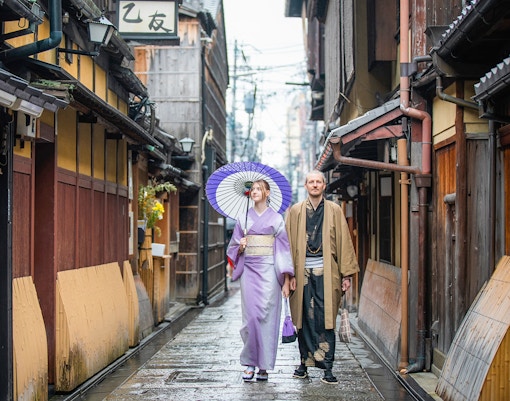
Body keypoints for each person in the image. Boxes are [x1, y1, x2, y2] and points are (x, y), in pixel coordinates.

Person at [286, 170, 359, 384]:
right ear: (305, 185)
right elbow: (288, 244)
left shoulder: (335, 210)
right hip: (302, 273)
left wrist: (346, 275)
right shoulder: (296, 211)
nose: (315, 185)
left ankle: (327, 367)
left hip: (329, 273)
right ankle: (304, 364)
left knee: (326, 319)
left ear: (324, 185)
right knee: (303, 319)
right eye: (311, 182)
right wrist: (288, 275)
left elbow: (344, 242)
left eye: (318, 181)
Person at [226, 179, 294, 382]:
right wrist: (240, 246)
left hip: (270, 271)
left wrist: (286, 278)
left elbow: (283, 249)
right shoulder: (243, 219)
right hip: (249, 270)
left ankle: (264, 365)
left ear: (267, 193)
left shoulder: (277, 219)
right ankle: (249, 362)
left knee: (268, 317)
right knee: (251, 318)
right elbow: (232, 247)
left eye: (259, 189)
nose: (255, 191)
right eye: (253, 189)